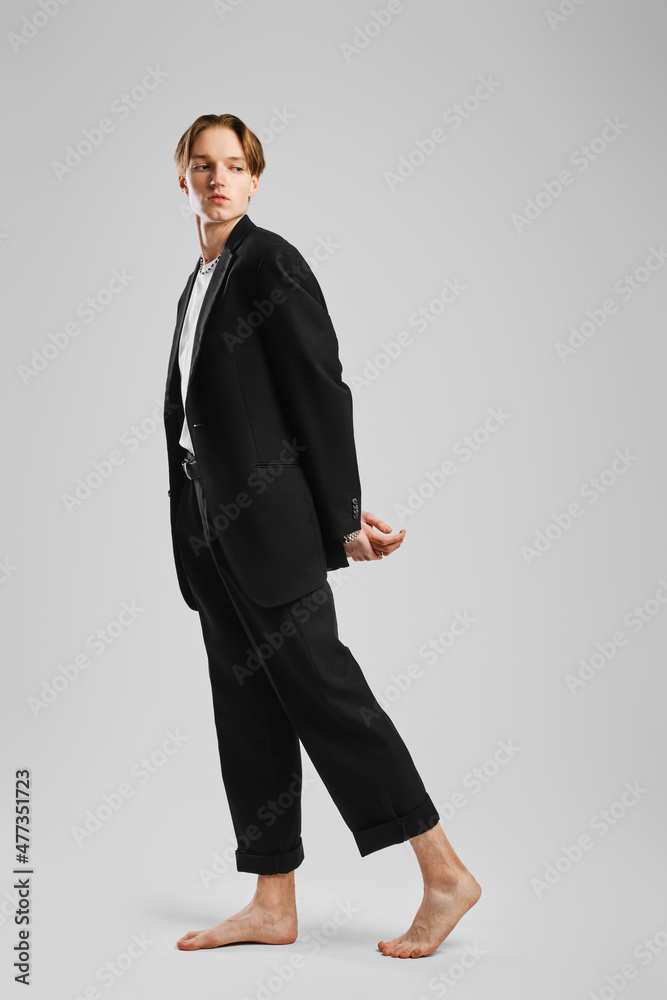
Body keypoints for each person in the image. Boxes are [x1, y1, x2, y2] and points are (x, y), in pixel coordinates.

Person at [163, 114, 480, 959]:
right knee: (248, 708)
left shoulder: (271, 262)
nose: (219, 179)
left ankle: (443, 874)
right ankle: (271, 900)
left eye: (234, 166)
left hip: (271, 532)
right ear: (182, 180)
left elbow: (319, 388)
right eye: (203, 166)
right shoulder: (196, 282)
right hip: (207, 531)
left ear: (256, 181)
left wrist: (342, 518)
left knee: (329, 698)